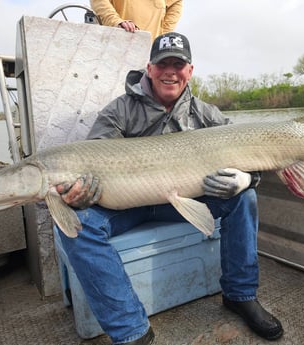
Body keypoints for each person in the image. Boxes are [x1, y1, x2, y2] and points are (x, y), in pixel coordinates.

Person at [55, 32, 284, 344]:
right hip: (126, 206)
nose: (170, 72)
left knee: (245, 198)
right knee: (76, 225)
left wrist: (247, 178)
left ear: (189, 71)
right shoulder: (119, 111)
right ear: (150, 69)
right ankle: (132, 331)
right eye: (163, 64)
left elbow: (251, 153)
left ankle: (240, 295)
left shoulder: (206, 115)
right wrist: (82, 191)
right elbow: (93, 158)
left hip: (179, 200)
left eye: (179, 64)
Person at [90, 0, 182, 41]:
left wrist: (160, 39)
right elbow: (99, 2)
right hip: (114, 45)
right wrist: (116, 22)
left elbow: (175, 4)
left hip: (149, 56)